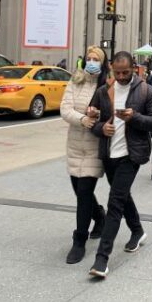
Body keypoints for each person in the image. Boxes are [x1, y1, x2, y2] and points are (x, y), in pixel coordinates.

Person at [87, 51, 152, 278]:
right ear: (111, 68)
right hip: (109, 154)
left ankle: (102, 259)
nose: (120, 77)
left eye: (125, 72)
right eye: (117, 72)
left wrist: (135, 117)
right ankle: (137, 231)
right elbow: (93, 119)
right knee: (122, 195)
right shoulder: (102, 91)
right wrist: (101, 128)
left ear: (134, 68)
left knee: (115, 202)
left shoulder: (147, 90)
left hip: (132, 154)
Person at [59, 46, 109, 264]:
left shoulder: (108, 84)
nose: (91, 62)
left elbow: (111, 112)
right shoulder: (75, 80)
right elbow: (65, 108)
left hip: (94, 145)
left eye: (95, 59)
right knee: (79, 191)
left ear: (102, 62)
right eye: (88, 58)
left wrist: (98, 115)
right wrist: (82, 119)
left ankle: (79, 239)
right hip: (74, 145)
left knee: (85, 191)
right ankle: (99, 217)